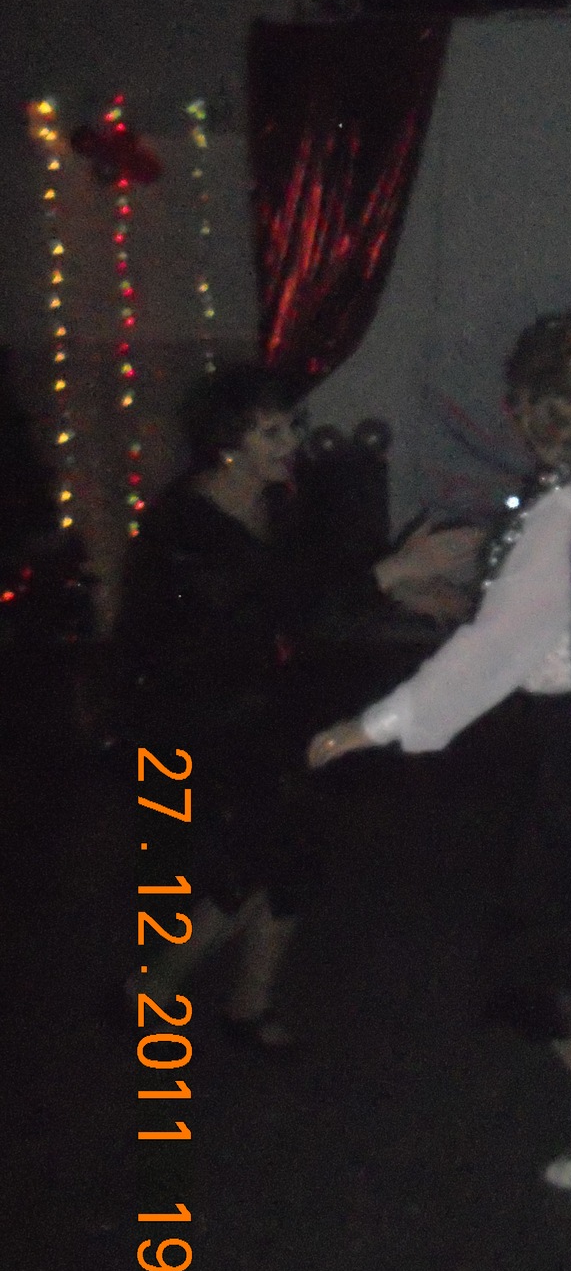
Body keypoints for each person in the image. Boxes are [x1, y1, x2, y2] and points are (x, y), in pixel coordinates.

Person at [307, 311, 571, 1209]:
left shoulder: (568, 515)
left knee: (543, 950)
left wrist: (376, 723)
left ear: (529, 414)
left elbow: (492, 652)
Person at [117, 364, 474, 1046]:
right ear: (227, 443)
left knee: (296, 849)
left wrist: (405, 592)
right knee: (252, 857)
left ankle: (248, 1006)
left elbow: (318, 587)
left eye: (292, 426)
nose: (292, 444)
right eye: (273, 432)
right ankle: (151, 989)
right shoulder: (185, 528)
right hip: (197, 716)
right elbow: (268, 611)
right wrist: (393, 573)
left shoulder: (278, 505)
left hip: (269, 701)